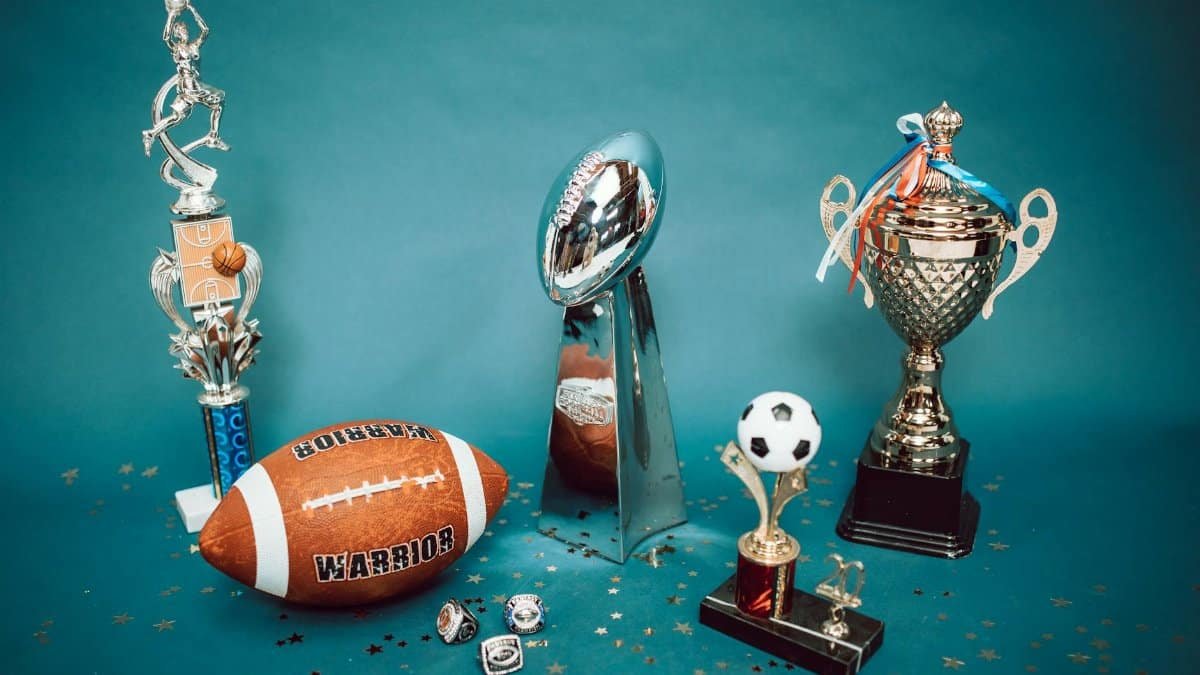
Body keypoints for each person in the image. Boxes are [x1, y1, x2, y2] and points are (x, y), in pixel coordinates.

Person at [141, 1, 228, 157]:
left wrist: (192, 9)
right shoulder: (177, 48)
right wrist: (171, 15)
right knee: (219, 101)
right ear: (177, 34)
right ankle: (213, 137)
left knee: (178, 117)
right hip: (189, 86)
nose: (185, 32)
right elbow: (166, 38)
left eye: (186, 29)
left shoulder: (194, 46)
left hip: (194, 84)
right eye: (181, 30)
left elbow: (205, 30)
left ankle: (150, 134)